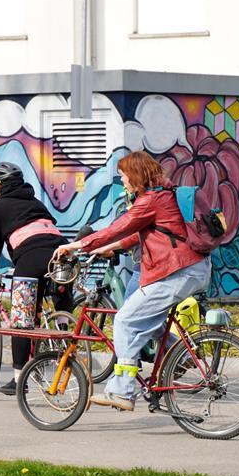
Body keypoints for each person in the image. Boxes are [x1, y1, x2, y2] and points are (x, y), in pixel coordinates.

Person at [54, 151, 211, 411]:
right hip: (189, 268)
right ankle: (180, 357)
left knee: (125, 319)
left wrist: (77, 245)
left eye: (123, 175)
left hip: (177, 270)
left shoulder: (151, 200)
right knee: (151, 323)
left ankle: (123, 391)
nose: (122, 180)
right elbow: (140, 234)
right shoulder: (162, 196)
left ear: (135, 175)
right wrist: (109, 248)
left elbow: (121, 226)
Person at [0, 162, 71, 396]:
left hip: (31, 257)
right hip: (62, 254)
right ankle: (65, 338)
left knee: (21, 320)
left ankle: (19, 379)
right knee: (61, 297)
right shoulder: (36, 203)